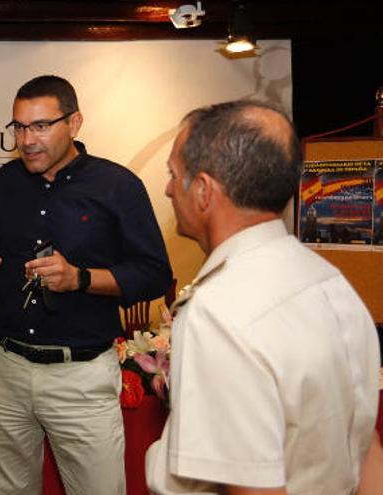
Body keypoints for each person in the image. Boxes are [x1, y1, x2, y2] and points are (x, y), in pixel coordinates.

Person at [146, 100, 380, 494]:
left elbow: (251, 487)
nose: (168, 189)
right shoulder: (329, 282)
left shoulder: (219, 311)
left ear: (203, 191)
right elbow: (365, 444)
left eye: (173, 174)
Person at [0, 75, 172, 494]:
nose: (27, 139)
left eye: (40, 126)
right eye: (19, 127)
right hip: (5, 368)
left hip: (81, 376)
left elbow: (154, 274)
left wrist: (82, 278)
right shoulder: (6, 182)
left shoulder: (118, 186)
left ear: (74, 123)